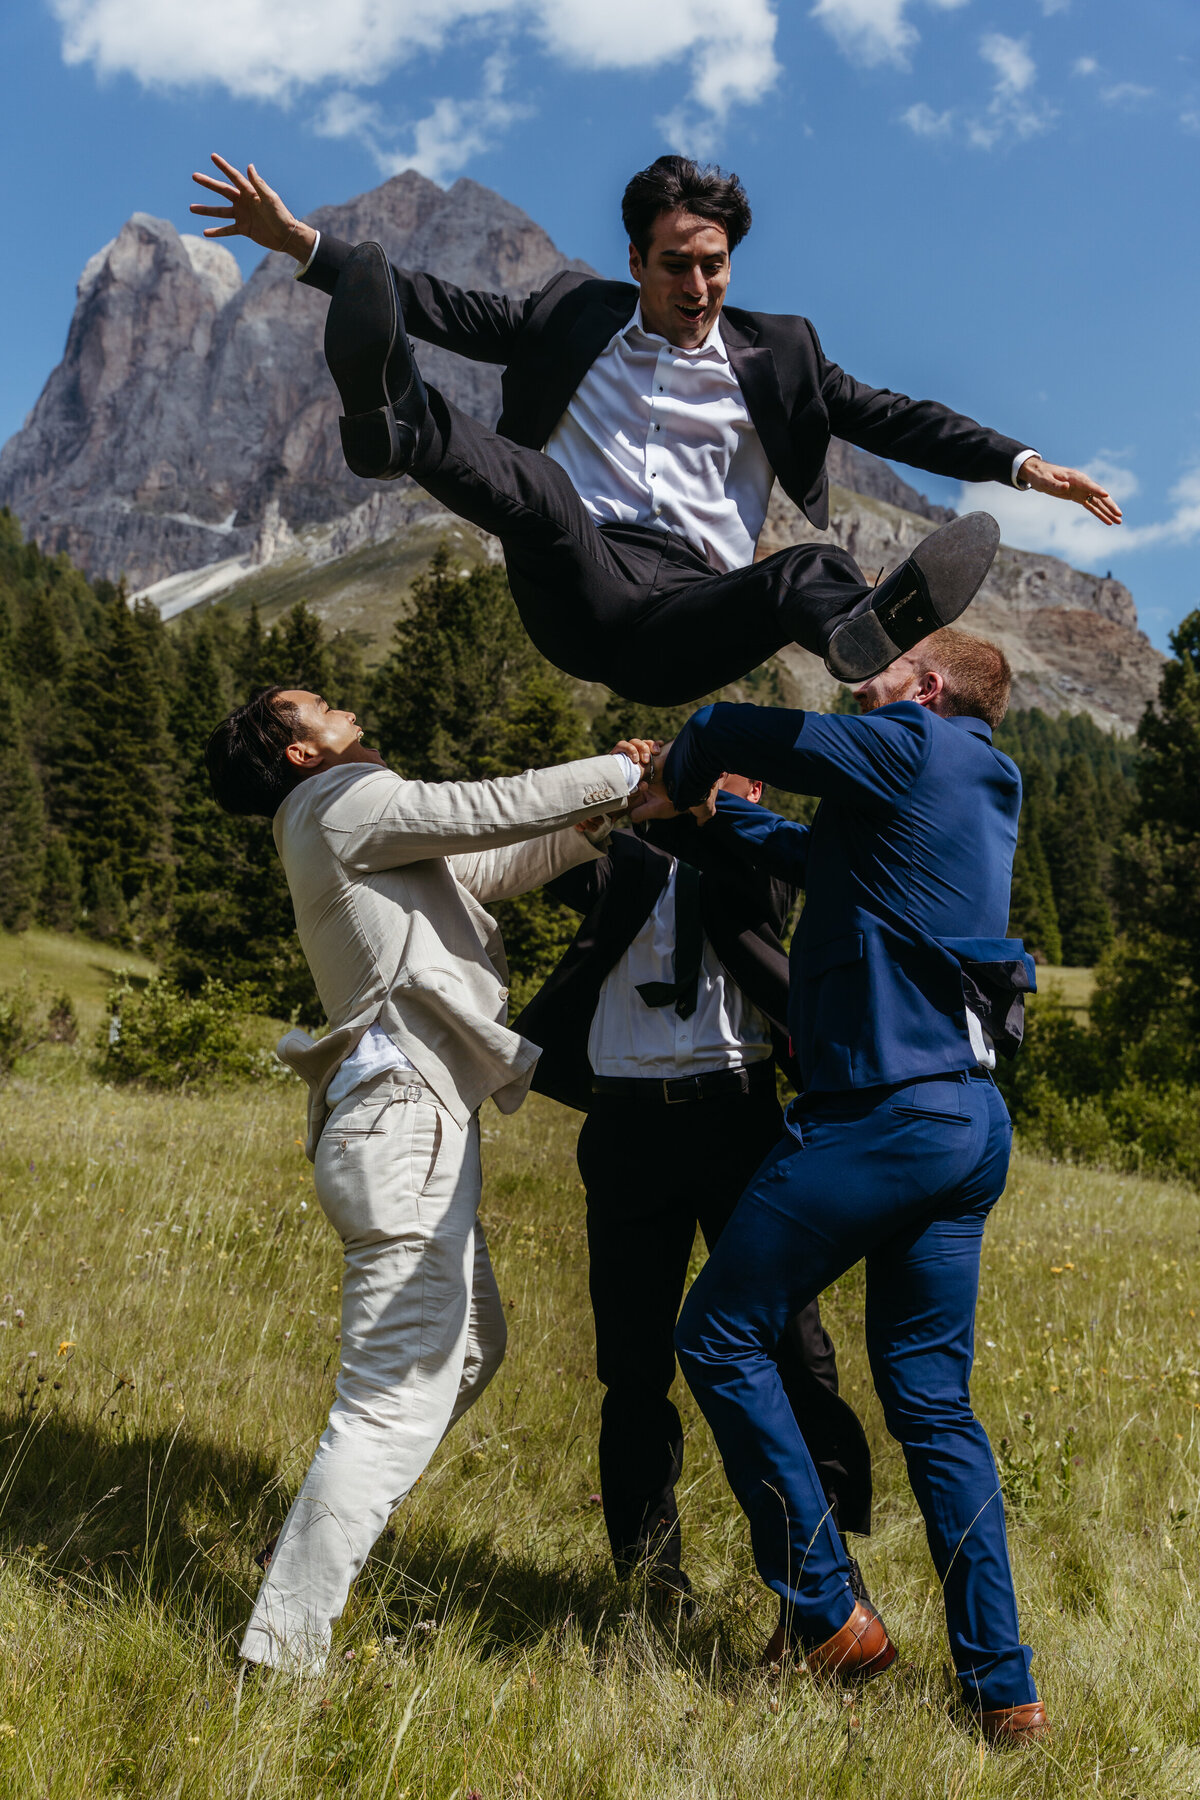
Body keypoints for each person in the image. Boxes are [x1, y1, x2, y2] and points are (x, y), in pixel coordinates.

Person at [190, 155, 1121, 706]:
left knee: (806, 568)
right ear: (635, 260)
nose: (699, 287)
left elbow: (892, 417)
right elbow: (442, 305)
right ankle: (399, 427)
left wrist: (1024, 463)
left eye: (714, 266)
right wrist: (302, 244)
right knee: (543, 492)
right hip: (580, 576)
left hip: (688, 612)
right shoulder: (571, 314)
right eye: (675, 265)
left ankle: (852, 637)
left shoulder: (782, 355)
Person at [632, 629, 1047, 1743]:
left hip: (885, 1119)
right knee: (932, 1406)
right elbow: (816, 860)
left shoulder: (907, 744)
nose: (855, 675)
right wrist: (716, 816)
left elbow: (720, 727)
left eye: (882, 666)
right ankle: (1003, 1691)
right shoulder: (955, 788)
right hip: (967, 1126)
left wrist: (664, 782)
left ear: (923, 689)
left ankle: (828, 1609)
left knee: (716, 1336)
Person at [203, 683, 651, 1671]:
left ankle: (311, 1546)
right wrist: (632, 769)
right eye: (312, 704)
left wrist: (607, 815)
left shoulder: (339, 817)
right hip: (400, 1125)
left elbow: (486, 863)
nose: (340, 702)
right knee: (395, 1394)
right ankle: (280, 1647)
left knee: (472, 1346)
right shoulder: (343, 801)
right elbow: (480, 810)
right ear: (297, 753)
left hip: (405, 1123)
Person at [515, 778, 873, 1604]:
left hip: (737, 1120)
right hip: (627, 1127)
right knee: (632, 1361)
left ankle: (824, 1572)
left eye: (726, 777)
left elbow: (762, 893)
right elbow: (549, 854)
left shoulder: (755, 855)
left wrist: (712, 814)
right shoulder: (618, 862)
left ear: (748, 791)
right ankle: (650, 1573)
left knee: (792, 1348)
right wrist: (610, 793)